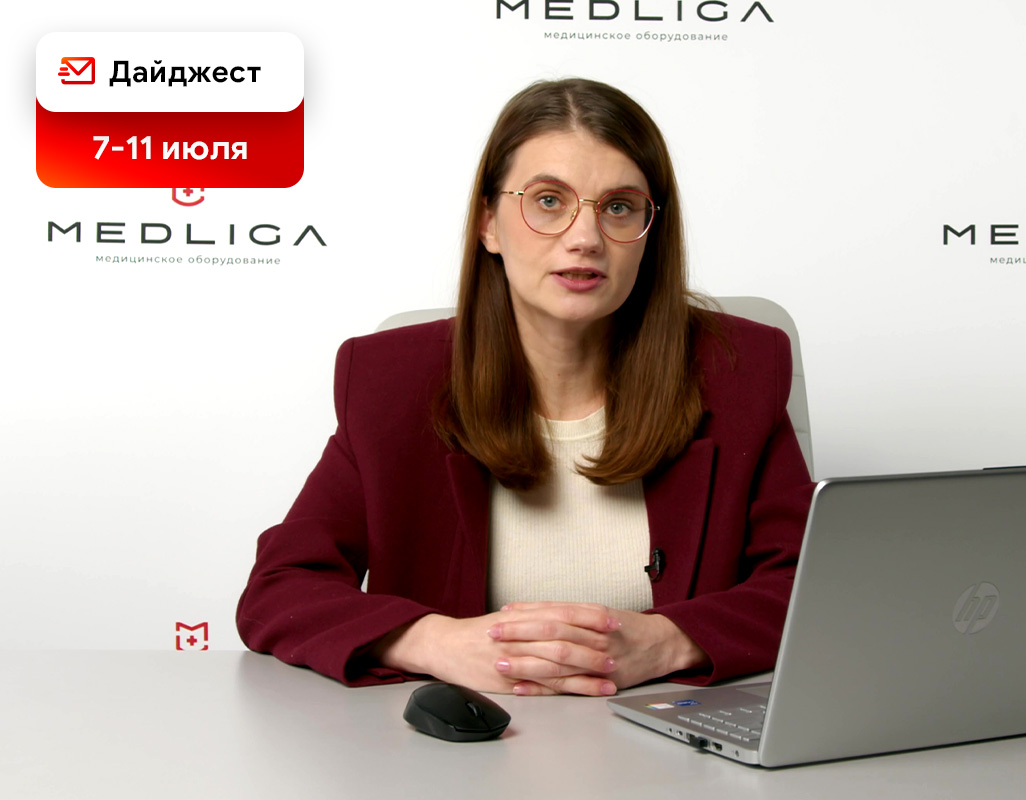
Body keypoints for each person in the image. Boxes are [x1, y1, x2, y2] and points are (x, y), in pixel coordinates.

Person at [236, 78, 814, 696]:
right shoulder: (388, 380)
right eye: (548, 201)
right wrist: (433, 642)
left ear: (651, 233)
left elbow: (814, 586)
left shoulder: (739, 370)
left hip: (672, 732)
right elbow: (281, 589)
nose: (585, 237)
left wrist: (668, 642)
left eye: (619, 207)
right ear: (488, 224)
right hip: (462, 739)